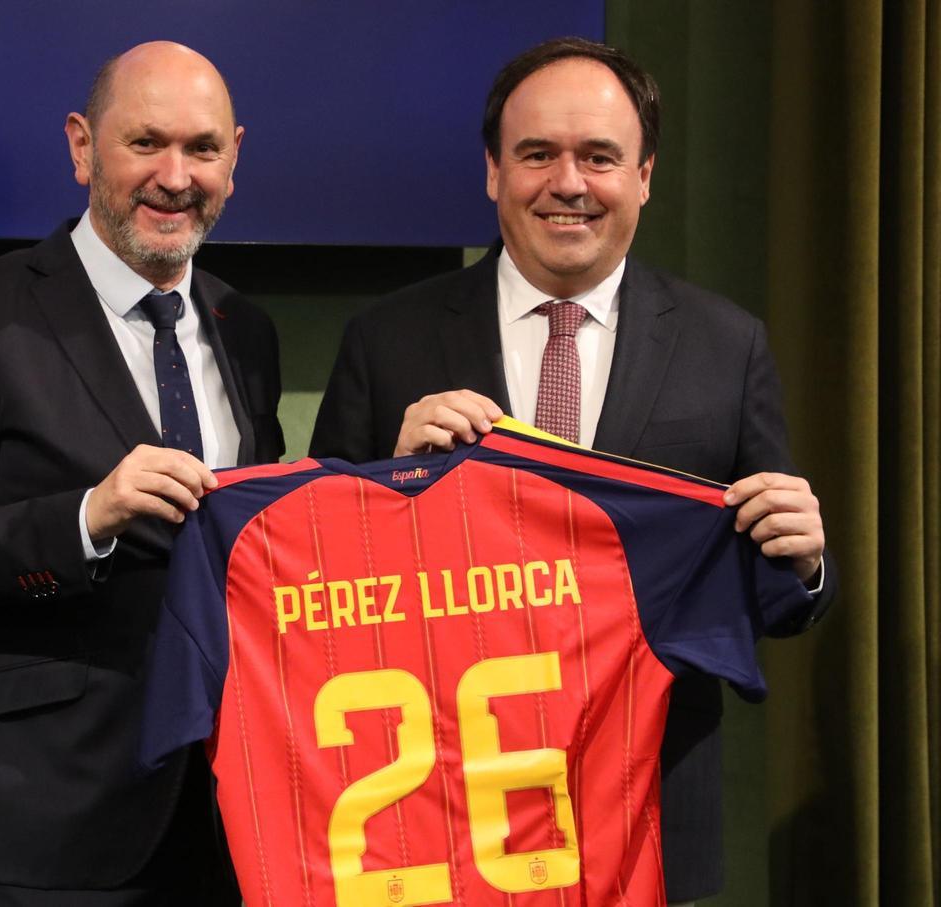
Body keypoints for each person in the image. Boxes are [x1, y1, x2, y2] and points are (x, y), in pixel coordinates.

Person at [309, 36, 834, 905]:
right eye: (537, 154)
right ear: (493, 171)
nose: (568, 183)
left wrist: (806, 563)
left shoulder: (725, 345)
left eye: (599, 156)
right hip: (441, 817)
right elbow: (319, 584)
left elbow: (778, 597)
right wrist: (384, 490)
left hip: (652, 812)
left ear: (645, 175)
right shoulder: (387, 340)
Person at [0, 41, 282, 905]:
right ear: (82, 146)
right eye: (146, 143)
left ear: (235, 158)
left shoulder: (244, 327)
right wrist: (88, 518)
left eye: (202, 148)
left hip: (227, 809)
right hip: (42, 809)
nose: (175, 177)